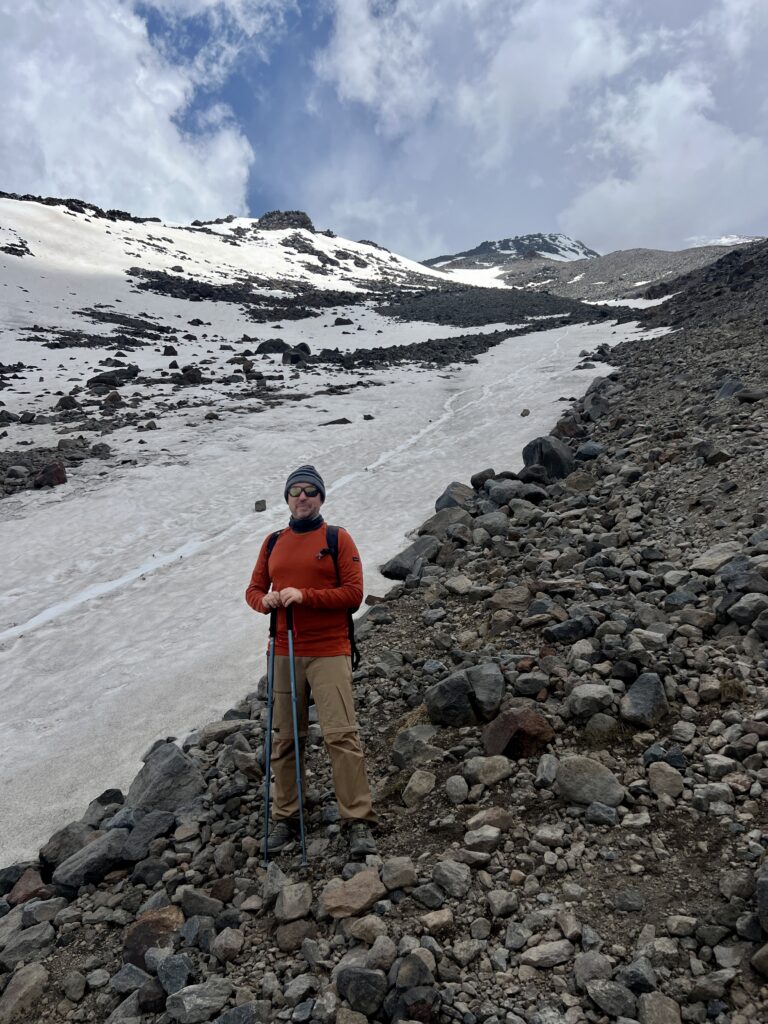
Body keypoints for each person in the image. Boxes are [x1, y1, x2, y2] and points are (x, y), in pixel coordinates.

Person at [245, 465, 378, 858]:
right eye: (295, 491)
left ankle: (357, 819)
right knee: (285, 739)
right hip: (283, 650)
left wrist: (305, 596)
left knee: (341, 734)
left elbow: (353, 594)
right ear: (287, 498)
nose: (302, 497)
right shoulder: (272, 542)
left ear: (321, 498)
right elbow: (253, 589)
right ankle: (286, 816)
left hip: (329, 649)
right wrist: (264, 601)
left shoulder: (336, 538)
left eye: (310, 491)